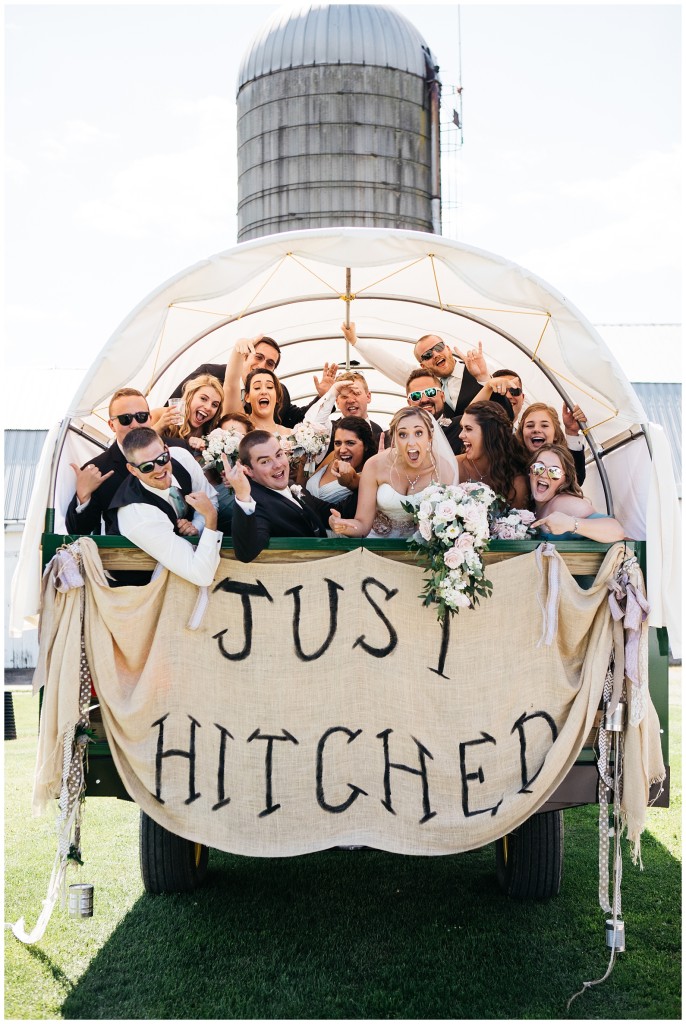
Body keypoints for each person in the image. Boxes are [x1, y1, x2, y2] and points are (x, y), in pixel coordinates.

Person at [65, 388, 188, 537]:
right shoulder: (98, 470)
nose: (135, 424)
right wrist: (83, 496)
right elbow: (77, 531)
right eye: (125, 419)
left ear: (150, 418)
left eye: (141, 417)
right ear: (111, 425)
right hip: (127, 556)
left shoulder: (178, 450)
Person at [108, 427, 222, 587]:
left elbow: (210, 498)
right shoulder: (138, 514)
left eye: (162, 459)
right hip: (142, 588)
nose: (159, 469)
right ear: (132, 470)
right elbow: (201, 575)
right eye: (147, 467)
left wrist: (197, 526)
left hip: (182, 575)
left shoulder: (181, 457)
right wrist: (210, 519)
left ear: (167, 450)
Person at [328, 407, 459, 539]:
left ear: (430, 436)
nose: (411, 443)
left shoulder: (444, 469)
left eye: (418, 433)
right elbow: (362, 525)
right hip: (377, 547)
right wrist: (343, 525)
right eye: (402, 435)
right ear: (394, 438)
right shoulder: (375, 465)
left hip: (420, 552)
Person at [340, 321, 512, 420]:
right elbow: (392, 364)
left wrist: (483, 378)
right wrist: (356, 341)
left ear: (447, 348)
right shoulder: (424, 384)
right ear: (423, 365)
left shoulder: (480, 367)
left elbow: (509, 412)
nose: (435, 354)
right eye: (428, 355)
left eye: (438, 347)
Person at [179, 334, 337, 429]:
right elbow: (176, 403)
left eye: (270, 364)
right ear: (246, 356)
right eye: (258, 357)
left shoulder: (278, 392)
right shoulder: (211, 373)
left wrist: (325, 396)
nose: (262, 365)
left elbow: (300, 419)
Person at [226, 432, 334, 562]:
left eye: (279, 455)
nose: (277, 465)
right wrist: (243, 496)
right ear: (248, 470)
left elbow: (330, 510)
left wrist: (356, 482)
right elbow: (246, 553)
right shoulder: (257, 503)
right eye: (265, 461)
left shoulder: (291, 485)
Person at [529, 444, 625, 542]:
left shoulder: (565, 503)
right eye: (538, 467)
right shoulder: (531, 505)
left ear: (565, 480)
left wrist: (570, 524)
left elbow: (616, 531)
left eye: (554, 471)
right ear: (530, 471)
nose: (544, 475)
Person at [457, 401, 530, 508]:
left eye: (468, 429)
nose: (460, 435)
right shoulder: (454, 466)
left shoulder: (516, 480)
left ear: (490, 433)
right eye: (462, 428)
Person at [304, 369, 385, 457]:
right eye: (344, 396)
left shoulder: (379, 431)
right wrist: (330, 394)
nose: (350, 400)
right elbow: (310, 426)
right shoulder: (329, 429)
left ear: (368, 397)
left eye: (356, 393)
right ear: (337, 402)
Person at [306, 416, 377, 515]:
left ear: (366, 446)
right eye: (338, 443)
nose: (342, 450)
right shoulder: (332, 456)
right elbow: (304, 483)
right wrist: (303, 463)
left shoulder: (371, 476)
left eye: (350, 443)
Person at [203, 411, 255, 532]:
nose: (234, 441)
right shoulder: (207, 469)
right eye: (227, 436)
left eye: (240, 436)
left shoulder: (257, 473)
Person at [517, 401, 587, 485]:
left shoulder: (562, 466)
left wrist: (571, 432)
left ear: (556, 435)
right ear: (522, 433)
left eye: (544, 425)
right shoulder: (511, 464)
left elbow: (576, 479)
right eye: (530, 426)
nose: (536, 429)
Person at [156, 373, 224, 455]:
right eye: (203, 399)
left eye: (214, 405)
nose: (208, 407)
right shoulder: (161, 415)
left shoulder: (211, 432)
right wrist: (160, 426)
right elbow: (138, 445)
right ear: (190, 396)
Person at [405, 369, 464, 453]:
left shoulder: (461, 427)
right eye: (415, 396)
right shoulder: (401, 438)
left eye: (431, 392)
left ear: (442, 397)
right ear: (409, 403)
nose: (424, 400)